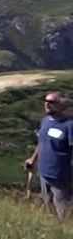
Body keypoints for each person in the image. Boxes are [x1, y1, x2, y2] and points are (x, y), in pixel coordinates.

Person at [25, 91, 73, 222]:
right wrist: (33, 159)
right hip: (44, 173)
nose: (47, 104)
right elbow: (42, 143)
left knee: (64, 210)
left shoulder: (69, 125)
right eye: (46, 101)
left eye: (52, 102)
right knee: (49, 206)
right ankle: (54, 229)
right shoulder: (45, 121)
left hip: (61, 177)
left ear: (62, 105)